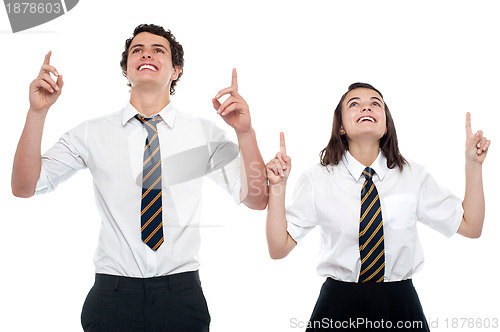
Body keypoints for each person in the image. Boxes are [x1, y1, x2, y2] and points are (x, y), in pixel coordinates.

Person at [11, 23, 268, 332]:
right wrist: (37, 112)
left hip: (181, 297)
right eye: (138, 50)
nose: (147, 53)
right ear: (127, 69)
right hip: (112, 297)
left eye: (158, 50)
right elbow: (24, 186)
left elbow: (256, 199)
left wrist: (245, 133)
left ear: (175, 70)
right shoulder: (92, 133)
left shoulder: (203, 134)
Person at [265, 82, 490, 331]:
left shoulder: (413, 176)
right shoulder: (317, 179)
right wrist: (278, 186)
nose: (366, 107)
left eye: (375, 103)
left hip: (400, 306)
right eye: (354, 104)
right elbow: (278, 248)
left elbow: (472, 226)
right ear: (340, 126)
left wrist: (474, 165)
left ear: (385, 126)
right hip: (337, 307)